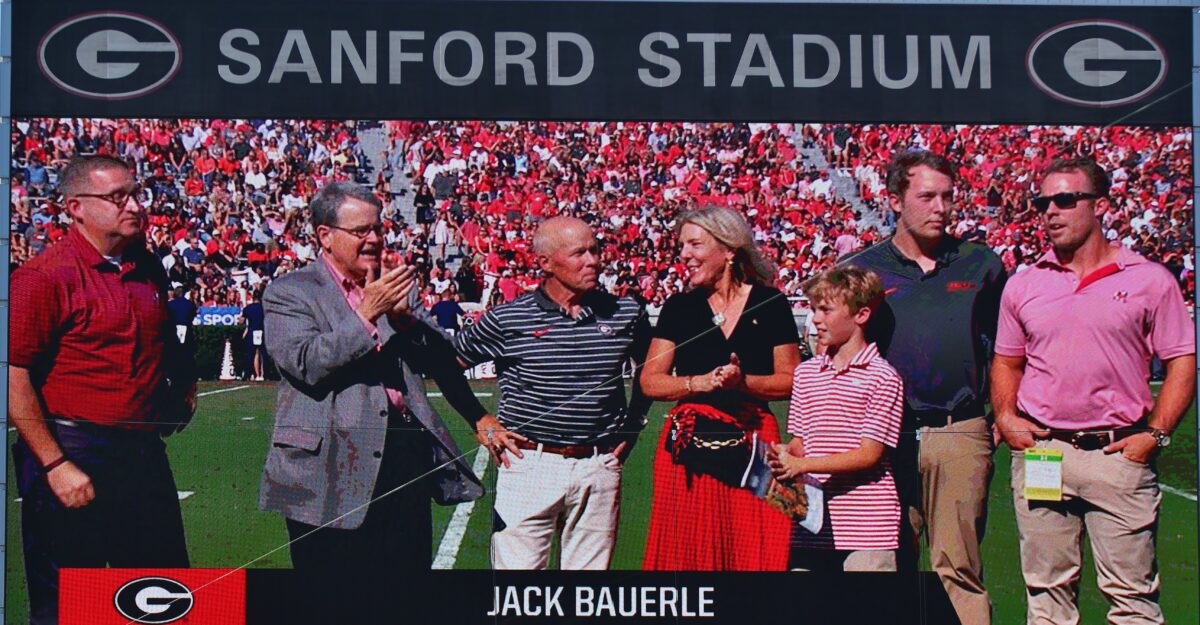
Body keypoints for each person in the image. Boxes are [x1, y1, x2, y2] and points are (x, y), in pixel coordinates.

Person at [259, 182, 487, 622]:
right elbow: (304, 362)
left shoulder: (391, 285)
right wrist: (367, 315)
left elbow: (438, 358)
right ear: (325, 235)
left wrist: (403, 321)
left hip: (401, 454)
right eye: (361, 230)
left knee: (403, 590)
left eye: (378, 228)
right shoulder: (290, 291)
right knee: (331, 593)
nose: (375, 239)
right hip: (328, 458)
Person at [992, 157, 1195, 625]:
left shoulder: (1148, 280)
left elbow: (1183, 360)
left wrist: (1155, 436)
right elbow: (1007, 360)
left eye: (1065, 200)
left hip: (1117, 455)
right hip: (1043, 452)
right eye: (1042, 202)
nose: (1050, 211)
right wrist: (1006, 415)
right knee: (1046, 599)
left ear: (1100, 205)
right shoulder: (1025, 283)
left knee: (1133, 603)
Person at [10, 155, 195, 625]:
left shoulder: (146, 265)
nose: (134, 205)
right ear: (76, 207)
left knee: (165, 594)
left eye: (136, 193)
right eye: (117, 197)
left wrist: (183, 387)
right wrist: (54, 464)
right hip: (73, 448)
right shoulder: (44, 276)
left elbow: (162, 336)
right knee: (70, 603)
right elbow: (12, 374)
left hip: (140, 451)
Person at [843, 151, 1006, 625]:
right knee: (886, 566)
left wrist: (999, 416)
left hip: (960, 430)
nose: (941, 207)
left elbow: (1007, 349)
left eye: (948, 196)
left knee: (958, 569)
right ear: (895, 200)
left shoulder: (981, 264)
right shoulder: (862, 269)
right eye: (927, 196)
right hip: (883, 438)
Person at [453, 216, 651, 570]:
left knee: (588, 600)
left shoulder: (626, 312)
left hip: (599, 463)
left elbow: (651, 370)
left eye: (595, 250)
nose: (593, 261)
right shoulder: (508, 319)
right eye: (579, 253)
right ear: (544, 262)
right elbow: (447, 364)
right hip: (529, 461)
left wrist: (634, 423)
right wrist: (479, 417)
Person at [640, 206, 801, 571]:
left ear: (729, 250)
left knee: (758, 546)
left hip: (755, 440)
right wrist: (700, 383)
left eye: (694, 244)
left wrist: (742, 382)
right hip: (689, 445)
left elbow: (790, 379)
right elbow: (650, 380)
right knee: (688, 553)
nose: (685, 255)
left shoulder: (770, 302)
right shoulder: (679, 307)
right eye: (682, 246)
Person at [770, 266, 904, 572]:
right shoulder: (805, 374)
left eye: (826, 310)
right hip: (813, 521)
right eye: (815, 309)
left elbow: (869, 454)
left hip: (867, 527)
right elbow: (802, 443)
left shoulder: (883, 378)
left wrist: (803, 465)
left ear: (861, 315)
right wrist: (784, 455)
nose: (815, 319)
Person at [241, 288, 266, 381]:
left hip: (252, 330)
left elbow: (242, 320)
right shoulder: (264, 308)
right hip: (262, 330)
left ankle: (249, 373)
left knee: (251, 354)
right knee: (263, 353)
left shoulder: (248, 308)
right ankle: (264, 374)